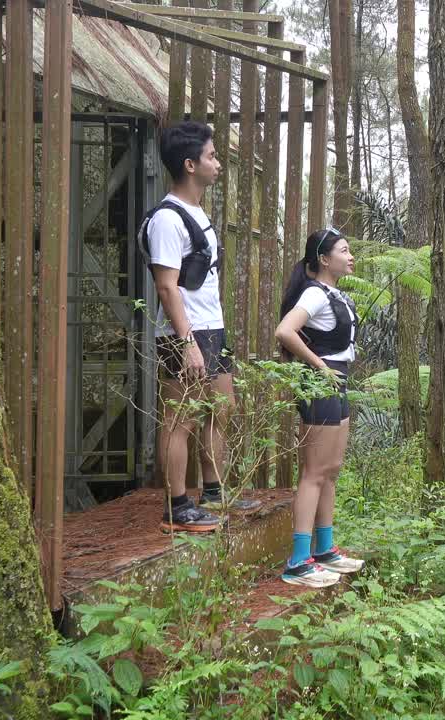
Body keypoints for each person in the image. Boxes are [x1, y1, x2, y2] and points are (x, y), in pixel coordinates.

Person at [140, 121, 260, 534]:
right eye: (211, 156)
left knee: (221, 407)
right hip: (184, 332)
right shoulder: (167, 220)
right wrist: (187, 342)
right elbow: (166, 286)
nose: (218, 163)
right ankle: (176, 506)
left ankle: (213, 490)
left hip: (212, 326)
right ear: (190, 164)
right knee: (181, 419)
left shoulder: (195, 212)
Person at [274, 228, 366, 587]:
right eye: (345, 250)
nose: (351, 256)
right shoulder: (314, 293)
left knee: (331, 469)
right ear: (324, 260)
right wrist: (320, 366)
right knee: (314, 471)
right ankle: (299, 560)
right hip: (321, 383)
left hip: (337, 381)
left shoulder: (333, 293)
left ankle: (325, 549)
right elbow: (285, 331)